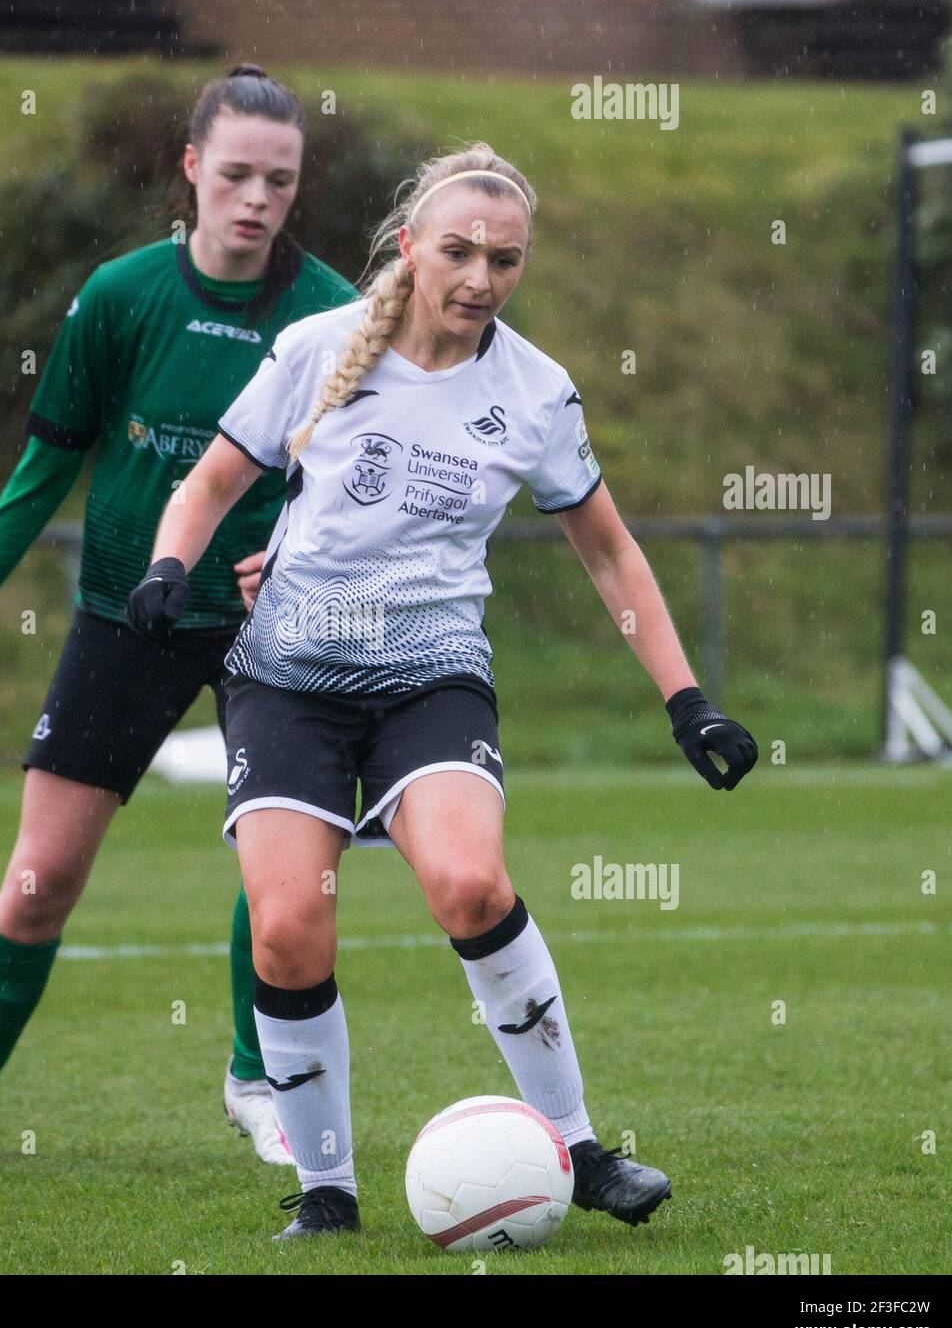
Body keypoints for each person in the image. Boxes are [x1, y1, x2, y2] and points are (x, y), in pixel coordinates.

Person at [125, 142, 759, 1238]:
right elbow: (213, 481)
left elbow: (609, 555)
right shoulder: (316, 349)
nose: (478, 278)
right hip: (287, 679)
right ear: (410, 244)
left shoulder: (533, 391)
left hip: (432, 676)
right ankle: (326, 1195)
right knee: (284, 929)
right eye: (458, 251)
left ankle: (578, 1146)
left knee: (469, 883)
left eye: (503, 260)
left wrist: (686, 698)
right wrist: (166, 569)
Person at [0, 65, 359, 1170]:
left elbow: (354, 477)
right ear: (190, 168)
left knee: (283, 879)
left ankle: (256, 1081)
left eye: (278, 180)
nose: (255, 197)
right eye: (233, 173)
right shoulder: (122, 296)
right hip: (120, 618)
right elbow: (43, 469)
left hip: (274, 632)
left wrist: (287, 558)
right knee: (40, 881)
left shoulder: (333, 312)